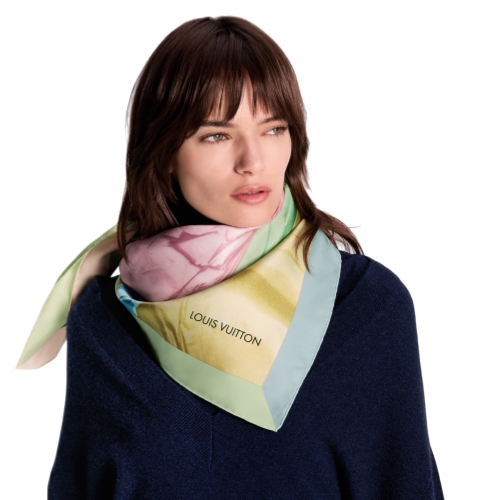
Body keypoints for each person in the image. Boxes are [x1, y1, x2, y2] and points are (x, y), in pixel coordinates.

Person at [17, 16, 445, 499]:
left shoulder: (366, 309)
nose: (253, 162)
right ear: (164, 152)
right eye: (217, 135)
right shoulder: (106, 324)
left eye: (273, 128)